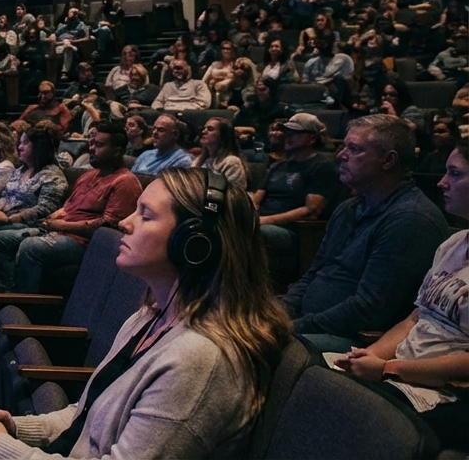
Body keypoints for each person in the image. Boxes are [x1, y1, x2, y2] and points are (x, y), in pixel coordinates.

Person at [0, 168, 291, 459]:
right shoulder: (152, 316)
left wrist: (0, 449)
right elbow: (83, 414)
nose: (124, 223)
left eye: (146, 216)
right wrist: (17, 428)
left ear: (195, 246)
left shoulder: (201, 360)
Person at [334, 140, 469, 449]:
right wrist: (371, 356)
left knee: (351, 414)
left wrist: (388, 369)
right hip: (402, 372)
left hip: (449, 391)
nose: (442, 182)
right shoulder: (453, 243)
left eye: (455, 173)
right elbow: (414, 318)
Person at [282, 114, 452, 352]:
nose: (340, 155)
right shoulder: (348, 208)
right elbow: (314, 273)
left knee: (254, 347)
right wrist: (280, 312)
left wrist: (290, 327)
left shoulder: (410, 219)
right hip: (311, 324)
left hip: (356, 341)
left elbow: (368, 310)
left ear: (388, 160)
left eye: (353, 149)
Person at [0, 120, 141, 293]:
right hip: (58, 231)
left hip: (84, 242)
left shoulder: (125, 182)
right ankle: (6, 294)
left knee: (31, 246)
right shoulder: (88, 175)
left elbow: (108, 227)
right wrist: (55, 216)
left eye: (99, 145)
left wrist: (61, 225)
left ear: (117, 151)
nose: (91, 148)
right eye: (91, 143)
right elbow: (67, 207)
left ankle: (27, 306)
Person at [0, 122, 68, 242]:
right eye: (20, 142)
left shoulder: (52, 175)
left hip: (31, 225)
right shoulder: (20, 170)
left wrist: (9, 219)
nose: (19, 147)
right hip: (4, 219)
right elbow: (5, 194)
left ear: (38, 147)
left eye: (25, 143)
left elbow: (44, 209)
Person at [193, 116, 247, 189]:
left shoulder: (231, 162)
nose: (203, 132)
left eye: (210, 129)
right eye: (204, 128)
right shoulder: (199, 160)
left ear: (223, 136)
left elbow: (235, 193)